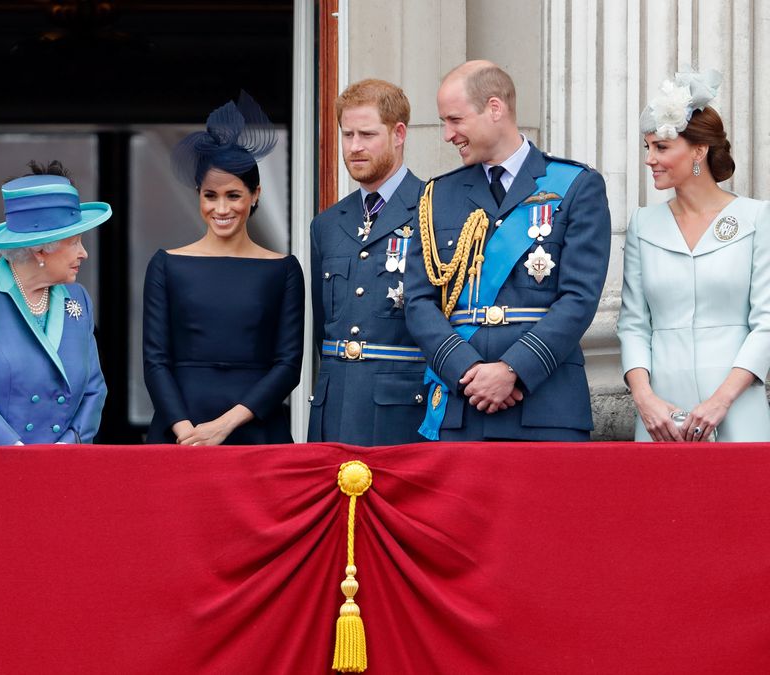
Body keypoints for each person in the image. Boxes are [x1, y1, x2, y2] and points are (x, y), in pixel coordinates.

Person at [404, 60, 611, 441]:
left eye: (455, 120)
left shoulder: (576, 185)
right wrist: (466, 371)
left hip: (546, 404)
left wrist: (513, 369)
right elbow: (418, 302)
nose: (448, 135)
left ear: (494, 109)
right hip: (461, 402)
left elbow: (579, 298)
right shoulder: (437, 196)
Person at [143, 92, 304, 445]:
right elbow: (155, 362)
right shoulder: (166, 265)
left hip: (256, 430)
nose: (221, 208)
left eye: (233, 195)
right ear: (198, 195)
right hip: (180, 431)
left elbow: (288, 366)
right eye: (210, 195)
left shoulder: (284, 270)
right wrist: (187, 432)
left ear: (255, 194)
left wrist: (224, 426)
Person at [618, 70, 770, 442]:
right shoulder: (643, 224)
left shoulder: (756, 218)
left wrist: (721, 401)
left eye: (662, 147)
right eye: (647, 148)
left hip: (738, 409)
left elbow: (766, 322)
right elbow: (633, 324)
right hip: (660, 418)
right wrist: (645, 400)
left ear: (699, 151)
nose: (650, 159)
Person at [0, 161, 109, 445]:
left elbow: (94, 389)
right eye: (75, 242)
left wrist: (69, 443)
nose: (84, 253)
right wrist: (16, 451)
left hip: (56, 467)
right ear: (41, 247)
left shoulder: (78, 300)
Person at [308, 78, 428, 446]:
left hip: (402, 412)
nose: (354, 147)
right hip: (334, 408)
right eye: (347, 135)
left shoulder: (433, 209)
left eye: (367, 134)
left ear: (399, 133)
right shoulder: (326, 224)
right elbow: (321, 328)